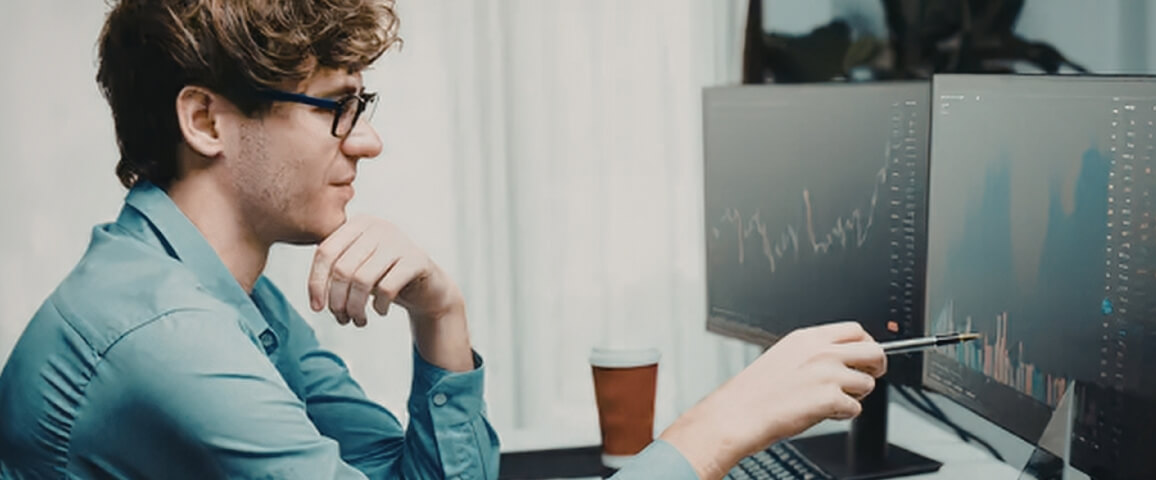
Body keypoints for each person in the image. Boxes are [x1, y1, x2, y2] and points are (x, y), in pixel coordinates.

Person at [0, 1, 886, 479]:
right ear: (206, 119)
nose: (369, 140)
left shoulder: (233, 294)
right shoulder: (165, 336)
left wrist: (440, 313)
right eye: (335, 106)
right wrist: (724, 424)